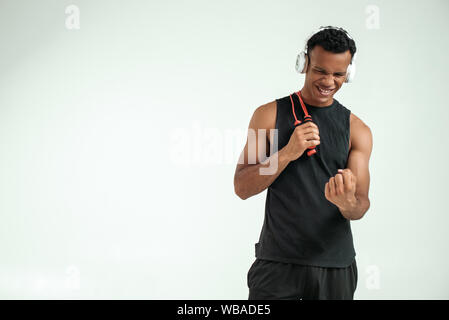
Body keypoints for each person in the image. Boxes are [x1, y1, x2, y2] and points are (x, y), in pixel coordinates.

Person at [233, 26, 373, 300]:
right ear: (304, 63)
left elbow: (361, 205)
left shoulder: (358, 130)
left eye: (338, 74)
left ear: (349, 73)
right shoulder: (268, 116)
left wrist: (346, 203)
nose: (329, 81)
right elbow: (242, 187)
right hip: (277, 264)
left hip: (335, 266)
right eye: (321, 70)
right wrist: (286, 153)